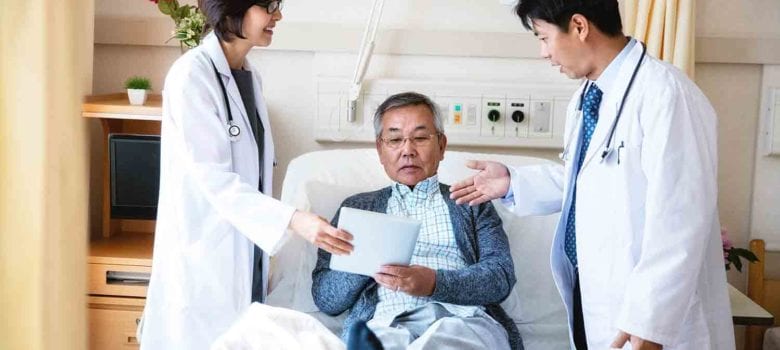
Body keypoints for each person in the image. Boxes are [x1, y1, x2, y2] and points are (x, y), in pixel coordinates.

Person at [449, 1, 735, 349]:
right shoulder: (587, 98)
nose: (544, 53)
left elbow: (681, 218)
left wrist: (651, 321)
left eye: (543, 37)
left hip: (657, 317)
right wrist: (513, 181)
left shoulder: (665, 94)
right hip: (598, 297)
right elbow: (589, 178)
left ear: (580, 26)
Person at [140, 1, 353, 348]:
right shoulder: (191, 76)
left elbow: (253, 176)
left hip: (246, 256)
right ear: (231, 8)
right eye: (269, 6)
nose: (278, 16)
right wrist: (295, 219)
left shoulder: (250, 78)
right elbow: (216, 180)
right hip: (204, 259)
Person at [311, 92, 522, 350]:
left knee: (445, 339)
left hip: (462, 319)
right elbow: (326, 298)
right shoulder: (357, 209)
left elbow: (500, 277)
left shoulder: (471, 203)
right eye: (395, 139)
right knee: (384, 340)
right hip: (388, 322)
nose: (408, 150)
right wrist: (365, 261)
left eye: (420, 138)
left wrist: (433, 283)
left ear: (441, 145)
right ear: (380, 149)